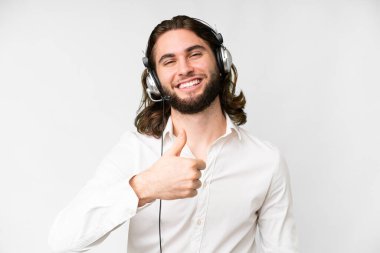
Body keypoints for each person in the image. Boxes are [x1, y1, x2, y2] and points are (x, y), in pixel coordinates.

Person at [49, 15, 298, 253]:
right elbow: (63, 240)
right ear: (154, 81)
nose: (185, 69)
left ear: (221, 61)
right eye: (169, 61)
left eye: (195, 54)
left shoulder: (266, 161)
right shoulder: (135, 151)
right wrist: (144, 187)